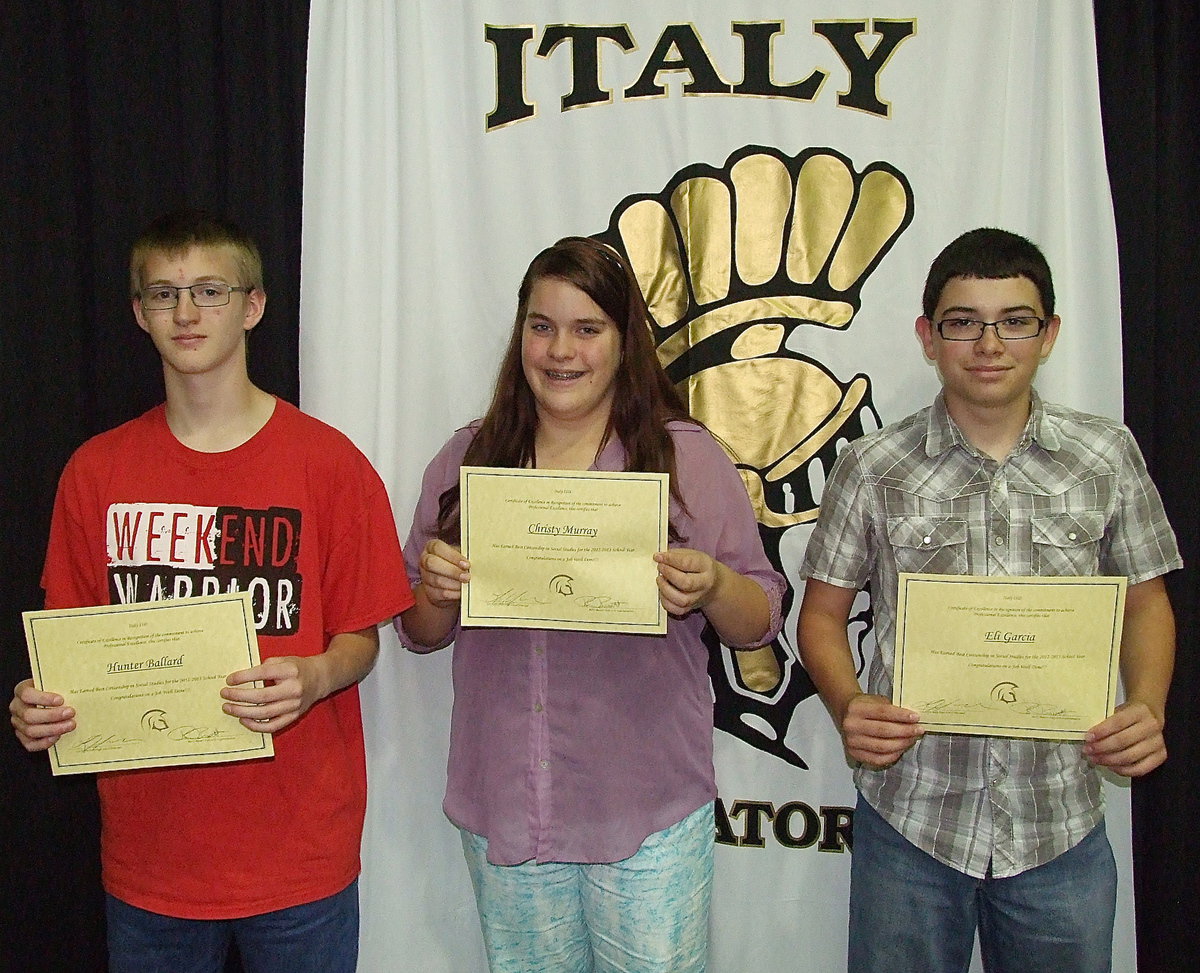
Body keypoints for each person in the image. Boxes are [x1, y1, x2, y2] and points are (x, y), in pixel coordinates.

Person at [9, 210, 413, 973]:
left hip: (298, 856)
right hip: (151, 862)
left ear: (254, 305)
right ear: (138, 313)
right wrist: (42, 704)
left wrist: (316, 674)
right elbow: (69, 647)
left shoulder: (328, 465)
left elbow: (362, 637)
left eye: (209, 291)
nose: (186, 313)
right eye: (163, 294)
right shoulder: (94, 472)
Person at [395, 236, 785, 973]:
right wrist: (435, 592)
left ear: (622, 339)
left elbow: (759, 615)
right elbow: (417, 632)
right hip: (508, 810)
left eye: (587, 328)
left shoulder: (684, 457)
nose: (560, 350)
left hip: (646, 815)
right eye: (542, 326)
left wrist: (712, 586)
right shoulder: (469, 459)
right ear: (520, 338)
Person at [798, 227, 1181, 972]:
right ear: (927, 337)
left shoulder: (1107, 453)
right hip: (910, 818)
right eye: (963, 322)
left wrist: (1150, 703)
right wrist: (849, 704)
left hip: (1058, 824)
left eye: (1014, 320)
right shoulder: (871, 466)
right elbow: (821, 615)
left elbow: (1147, 602)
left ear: (1050, 333)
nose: (989, 343)